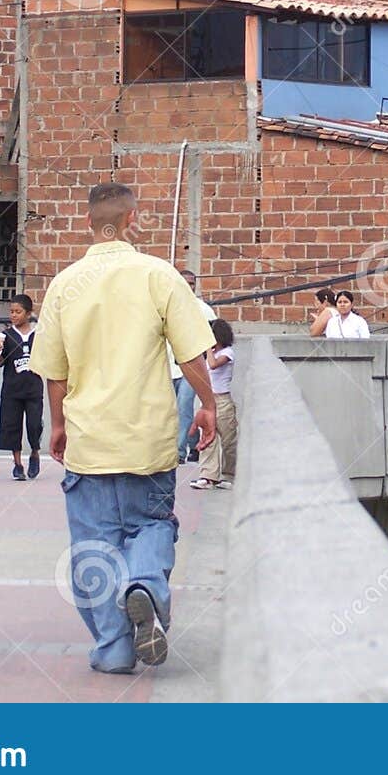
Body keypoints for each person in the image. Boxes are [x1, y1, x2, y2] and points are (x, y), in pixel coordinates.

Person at [31, 183, 217, 675]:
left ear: (88, 223)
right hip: (148, 441)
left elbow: (54, 370)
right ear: (132, 219)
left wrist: (57, 426)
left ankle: (113, 650)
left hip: (88, 442)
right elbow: (191, 355)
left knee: (94, 548)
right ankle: (147, 586)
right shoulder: (160, 276)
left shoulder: (63, 285)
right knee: (151, 525)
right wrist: (208, 406)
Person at [0, 294, 43, 481]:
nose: (14, 315)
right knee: (12, 426)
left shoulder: (38, 335)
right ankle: (17, 464)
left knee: (34, 424)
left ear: (28, 313)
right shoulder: (5, 336)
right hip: (12, 390)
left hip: (33, 389)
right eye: (11, 311)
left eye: (18, 311)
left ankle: (35, 454)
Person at [171, 271, 215, 465]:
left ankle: (178, 452)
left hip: (192, 368)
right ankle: (193, 443)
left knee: (184, 406)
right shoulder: (167, 305)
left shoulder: (204, 311)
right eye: (185, 283)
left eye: (192, 283)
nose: (189, 287)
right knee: (175, 412)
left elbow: (214, 340)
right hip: (168, 368)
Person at [190, 319, 237, 492]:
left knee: (228, 440)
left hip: (223, 400)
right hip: (208, 399)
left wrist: (209, 348)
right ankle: (207, 475)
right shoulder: (209, 353)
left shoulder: (228, 353)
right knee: (208, 438)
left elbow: (213, 365)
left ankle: (228, 474)